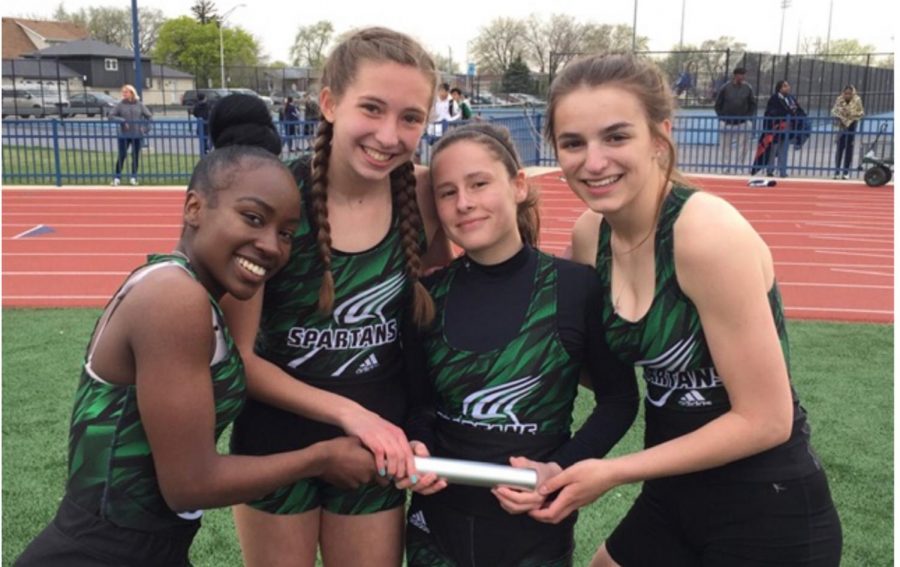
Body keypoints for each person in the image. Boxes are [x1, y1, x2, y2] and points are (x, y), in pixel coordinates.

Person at [14, 113, 378, 567]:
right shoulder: (174, 298)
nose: (270, 245)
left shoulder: (200, 297)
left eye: (285, 233)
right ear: (194, 209)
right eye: (252, 217)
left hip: (152, 547)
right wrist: (320, 459)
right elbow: (190, 483)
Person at [530, 53, 842, 566]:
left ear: (660, 137)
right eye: (572, 143)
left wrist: (611, 471)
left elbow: (766, 419)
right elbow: (586, 359)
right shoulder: (591, 235)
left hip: (768, 505)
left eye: (615, 136)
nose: (593, 161)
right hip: (674, 492)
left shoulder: (704, 234)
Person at [222, 27, 454, 567]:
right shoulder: (276, 197)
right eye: (371, 108)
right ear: (329, 103)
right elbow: (239, 358)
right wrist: (351, 414)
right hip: (278, 444)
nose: (389, 134)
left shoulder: (423, 195)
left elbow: (442, 307)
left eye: (410, 118)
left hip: (379, 448)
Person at [397, 122, 638, 566]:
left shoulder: (574, 288)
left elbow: (619, 400)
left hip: (532, 530)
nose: (464, 202)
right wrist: (419, 445)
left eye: (479, 183)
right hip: (436, 528)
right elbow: (420, 406)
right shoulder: (427, 296)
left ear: (519, 186)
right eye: (447, 192)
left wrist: (560, 469)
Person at [752, 80, 808, 178]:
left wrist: (798, 117)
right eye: (785, 86)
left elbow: (798, 110)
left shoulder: (791, 99)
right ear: (780, 88)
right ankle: (770, 170)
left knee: (783, 150)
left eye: (788, 86)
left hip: (788, 129)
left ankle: (782, 170)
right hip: (776, 129)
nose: (788, 88)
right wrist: (783, 116)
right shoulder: (774, 98)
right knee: (773, 149)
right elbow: (770, 112)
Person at [714, 66, 757, 174]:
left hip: (742, 122)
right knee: (725, 146)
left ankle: (739, 166)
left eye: (744, 74)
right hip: (727, 122)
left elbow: (752, 104)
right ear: (735, 75)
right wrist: (722, 117)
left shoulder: (748, 88)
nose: (743, 77)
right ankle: (725, 167)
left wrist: (748, 116)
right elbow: (717, 104)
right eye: (741, 74)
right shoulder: (725, 88)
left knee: (743, 146)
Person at [109, 84, 153, 186]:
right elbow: (111, 116)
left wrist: (145, 128)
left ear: (132, 93)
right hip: (124, 135)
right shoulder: (120, 105)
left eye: (126, 92)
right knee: (122, 155)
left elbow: (149, 117)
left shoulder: (139, 104)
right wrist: (122, 121)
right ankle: (117, 177)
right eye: (123, 92)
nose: (124, 94)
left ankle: (133, 177)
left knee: (135, 156)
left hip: (137, 134)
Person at [831, 85, 865, 179]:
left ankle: (846, 171)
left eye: (849, 93)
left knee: (849, 148)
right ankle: (837, 171)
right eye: (846, 93)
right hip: (841, 126)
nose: (847, 95)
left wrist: (852, 114)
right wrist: (840, 115)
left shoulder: (857, 100)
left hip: (852, 125)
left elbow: (861, 112)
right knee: (839, 148)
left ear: (852, 93)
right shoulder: (839, 99)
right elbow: (834, 110)